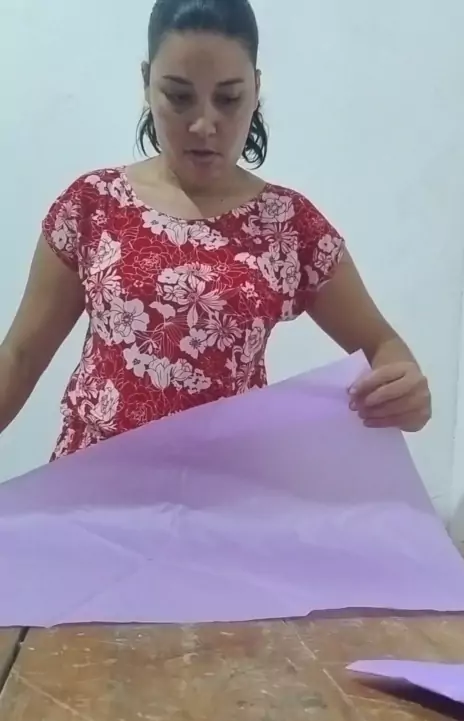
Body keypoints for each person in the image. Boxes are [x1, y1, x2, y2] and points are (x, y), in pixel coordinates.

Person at [0, 0, 431, 461]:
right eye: (179, 96)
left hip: (224, 491)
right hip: (93, 486)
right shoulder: (93, 205)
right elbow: (19, 357)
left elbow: (383, 346)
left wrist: (406, 392)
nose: (204, 124)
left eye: (228, 99)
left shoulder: (288, 225)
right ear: (146, 83)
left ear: (256, 89)